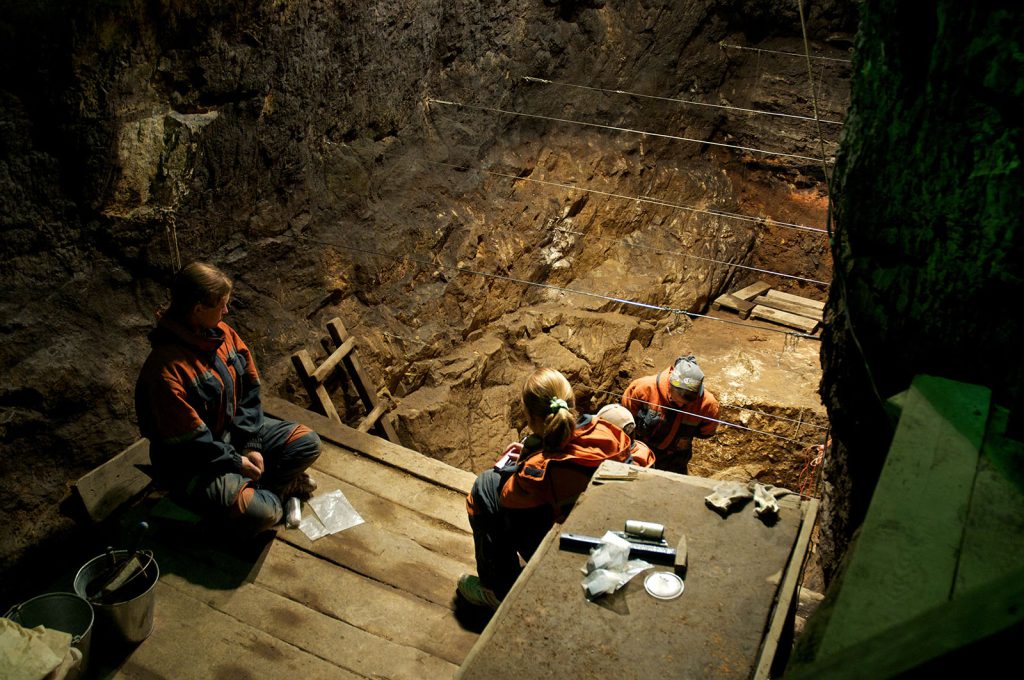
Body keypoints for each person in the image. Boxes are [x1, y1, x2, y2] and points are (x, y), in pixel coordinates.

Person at [135, 262, 321, 534]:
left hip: (230, 435)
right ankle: (272, 496)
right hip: (194, 463)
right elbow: (193, 444)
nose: (226, 311)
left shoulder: (222, 335)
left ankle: (262, 490)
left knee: (307, 442)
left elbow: (250, 390)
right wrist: (236, 462)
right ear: (198, 309)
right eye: (221, 305)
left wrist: (250, 443)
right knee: (266, 514)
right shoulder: (165, 372)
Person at [457, 368, 651, 610]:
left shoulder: (538, 470)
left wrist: (524, 462)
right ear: (571, 403)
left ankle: (498, 590)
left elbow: (509, 499)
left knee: (486, 486)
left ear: (529, 416)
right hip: (612, 541)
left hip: (574, 552)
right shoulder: (607, 432)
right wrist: (533, 448)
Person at [621, 354, 720, 475]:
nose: (680, 404)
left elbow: (706, 432)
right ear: (670, 385)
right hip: (641, 451)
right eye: (677, 400)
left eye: (685, 403)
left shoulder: (708, 405)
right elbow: (626, 417)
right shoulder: (643, 388)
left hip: (675, 459)